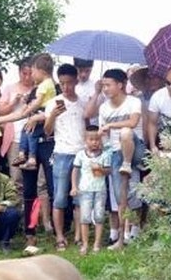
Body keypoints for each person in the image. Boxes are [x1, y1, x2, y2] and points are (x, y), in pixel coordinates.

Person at [95, 68, 144, 248]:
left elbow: (133, 123)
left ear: (120, 85)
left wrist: (111, 125)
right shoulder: (103, 107)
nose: (105, 89)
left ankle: (135, 229)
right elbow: (104, 136)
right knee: (120, 195)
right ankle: (124, 236)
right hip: (116, 151)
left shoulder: (133, 101)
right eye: (103, 85)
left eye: (108, 85)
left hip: (135, 148)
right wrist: (101, 135)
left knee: (125, 132)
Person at [45, 63, 86, 250]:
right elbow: (47, 131)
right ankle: (59, 236)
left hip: (81, 153)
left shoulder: (83, 101)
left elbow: (89, 124)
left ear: (76, 81)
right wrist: (53, 115)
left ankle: (78, 235)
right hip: (61, 153)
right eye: (62, 83)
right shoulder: (53, 103)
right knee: (60, 197)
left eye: (69, 82)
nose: (66, 87)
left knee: (79, 198)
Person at [71, 127, 111, 255]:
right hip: (85, 190)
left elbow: (108, 171)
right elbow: (75, 171)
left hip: (100, 190)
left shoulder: (105, 155)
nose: (94, 142)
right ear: (85, 140)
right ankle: (85, 244)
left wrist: (100, 169)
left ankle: (96, 244)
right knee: (85, 217)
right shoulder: (81, 155)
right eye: (91, 139)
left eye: (97, 139)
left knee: (99, 216)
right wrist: (74, 186)